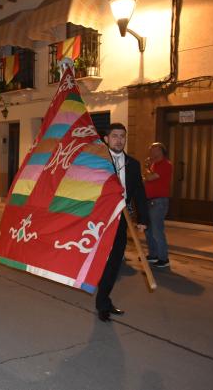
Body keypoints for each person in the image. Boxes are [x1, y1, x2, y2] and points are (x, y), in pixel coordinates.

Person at [96, 123, 148, 322]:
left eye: (122, 136)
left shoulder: (133, 164)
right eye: (115, 136)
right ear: (106, 139)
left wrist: (143, 219)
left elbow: (138, 192)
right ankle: (101, 297)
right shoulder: (97, 161)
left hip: (121, 218)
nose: (119, 140)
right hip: (99, 218)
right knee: (97, 259)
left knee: (115, 262)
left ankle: (103, 302)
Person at [143, 142, 173, 268]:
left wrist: (146, 170)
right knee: (148, 230)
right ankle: (153, 255)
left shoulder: (166, 164)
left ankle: (163, 258)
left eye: (153, 150)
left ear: (161, 151)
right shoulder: (154, 165)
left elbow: (150, 178)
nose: (151, 153)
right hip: (150, 200)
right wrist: (148, 169)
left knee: (157, 230)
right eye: (150, 150)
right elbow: (148, 178)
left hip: (159, 201)